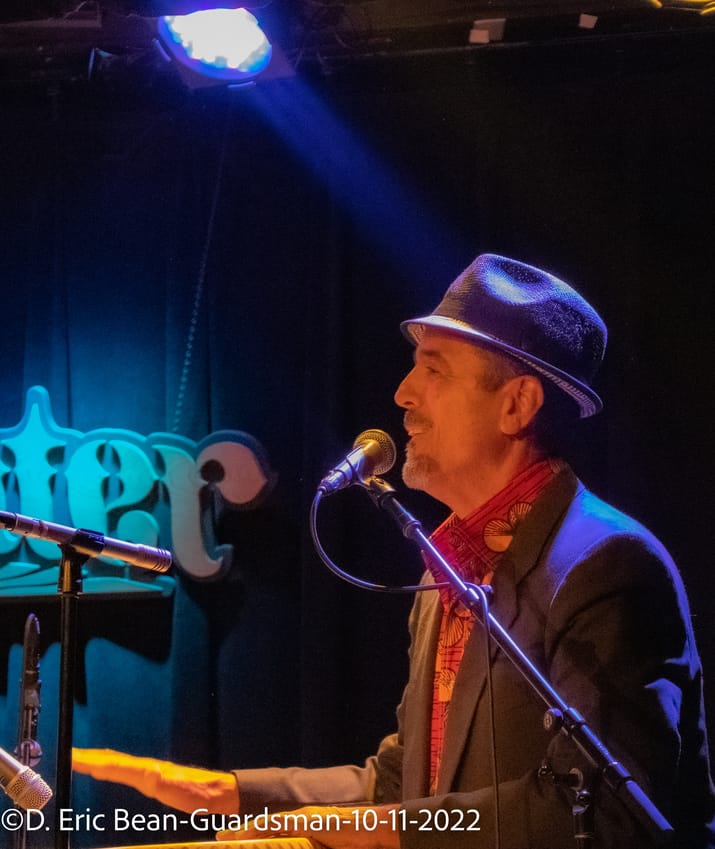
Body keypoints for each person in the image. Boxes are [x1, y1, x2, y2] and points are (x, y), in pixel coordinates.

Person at [73, 254, 715, 848]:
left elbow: (599, 810)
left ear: (517, 404)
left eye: (434, 369)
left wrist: (373, 828)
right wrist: (231, 792)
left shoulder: (607, 566)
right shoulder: (448, 569)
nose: (404, 393)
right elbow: (404, 783)